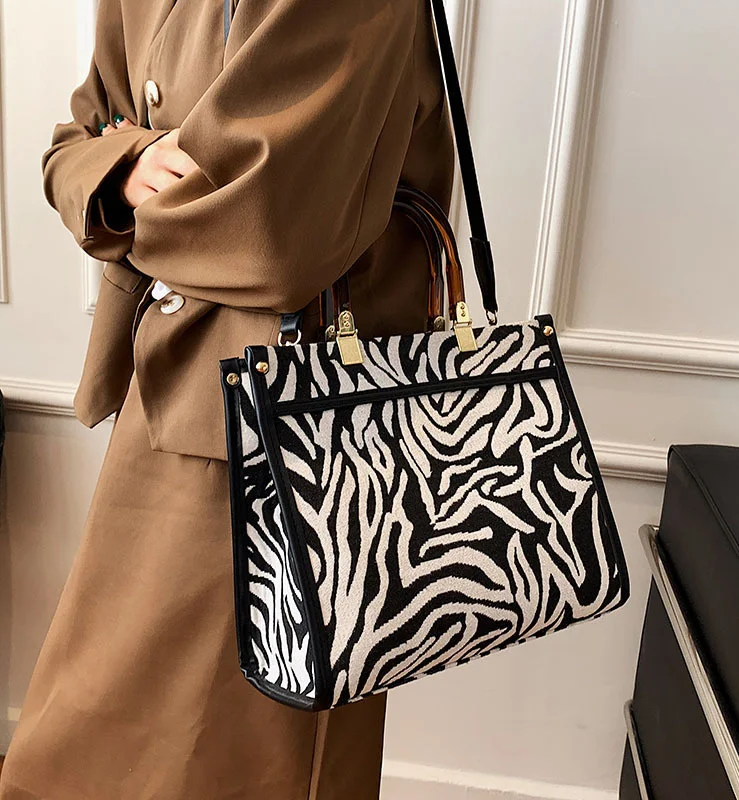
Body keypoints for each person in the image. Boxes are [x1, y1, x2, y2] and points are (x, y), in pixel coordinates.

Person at [0, 0, 454, 797]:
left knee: (215, 760)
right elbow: (73, 145)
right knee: (111, 748)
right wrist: (125, 166)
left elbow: (272, 233)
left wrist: (121, 180)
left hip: (290, 439)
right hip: (168, 396)